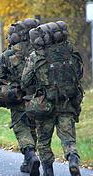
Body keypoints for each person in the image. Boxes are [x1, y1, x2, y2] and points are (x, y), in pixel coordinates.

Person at [21, 21, 83, 176]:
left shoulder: (36, 56)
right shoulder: (69, 51)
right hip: (67, 103)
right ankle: (73, 159)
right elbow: (79, 73)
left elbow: (25, 81)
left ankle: (48, 172)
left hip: (45, 105)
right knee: (68, 138)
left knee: (43, 141)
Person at [0, 19, 40, 175]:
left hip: (18, 98)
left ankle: (29, 154)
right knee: (33, 127)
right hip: (38, 98)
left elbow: (0, 77)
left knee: (21, 129)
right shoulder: (39, 51)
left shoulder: (7, 55)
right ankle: (28, 161)